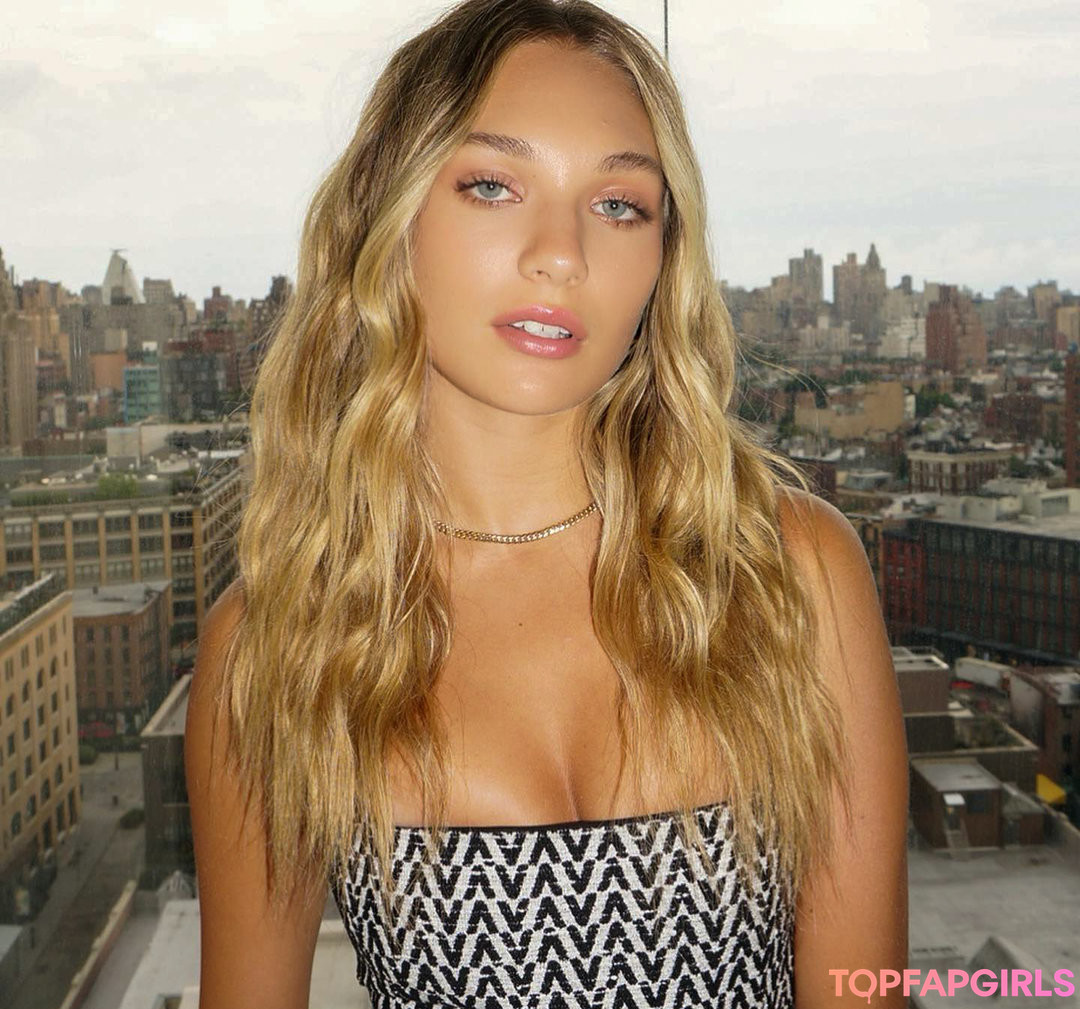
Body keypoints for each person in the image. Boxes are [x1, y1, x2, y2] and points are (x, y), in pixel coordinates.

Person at [185, 0, 908, 1006]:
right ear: (387, 217)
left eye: (619, 205)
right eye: (492, 185)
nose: (561, 253)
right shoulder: (277, 652)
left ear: (664, 258)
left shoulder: (789, 574)